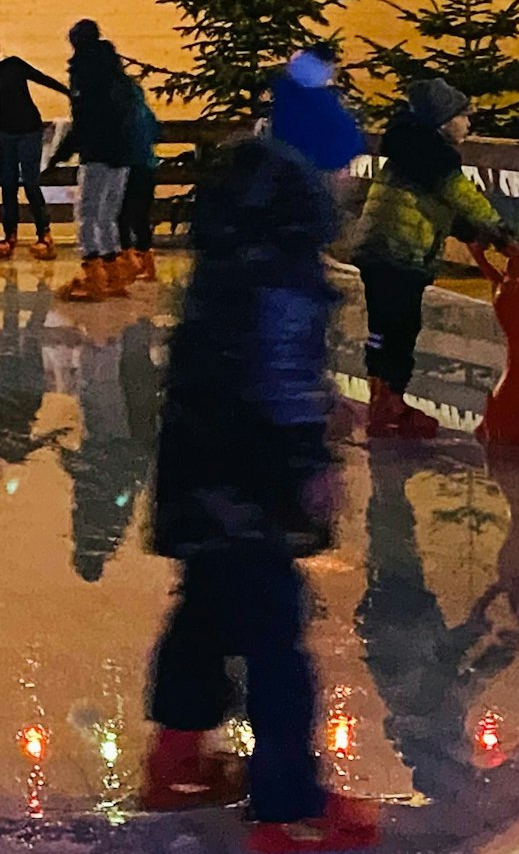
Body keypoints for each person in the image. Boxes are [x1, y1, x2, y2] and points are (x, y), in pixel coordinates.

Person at [143, 77, 377, 852]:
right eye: (344, 166)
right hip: (248, 478)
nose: (349, 183)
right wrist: (309, 457)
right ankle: (287, 806)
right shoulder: (284, 264)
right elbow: (274, 376)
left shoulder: (236, 244)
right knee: (279, 637)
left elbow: (226, 358)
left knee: (206, 607)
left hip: (200, 465)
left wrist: (317, 402)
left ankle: (175, 757)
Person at [352, 78, 509, 439]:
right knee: (403, 327)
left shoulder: (410, 154)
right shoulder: (435, 158)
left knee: (381, 327)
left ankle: (380, 396)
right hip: (400, 253)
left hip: (376, 250)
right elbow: (460, 194)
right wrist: (496, 229)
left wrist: (470, 235)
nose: (469, 123)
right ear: (443, 122)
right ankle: (391, 399)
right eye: (463, 116)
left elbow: (432, 206)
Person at [49, 20, 136, 301]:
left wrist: (60, 154)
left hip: (97, 151)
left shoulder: (84, 73)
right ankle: (115, 273)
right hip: (122, 151)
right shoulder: (118, 74)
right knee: (109, 213)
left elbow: (83, 119)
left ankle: (93, 275)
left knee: (87, 213)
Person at [0, 33, 66, 260]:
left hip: (29, 130)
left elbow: (42, 78)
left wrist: (70, 93)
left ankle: (44, 234)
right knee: (7, 186)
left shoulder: (14, 65)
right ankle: (10, 236)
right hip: (5, 134)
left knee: (30, 183)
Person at [116, 76, 162, 282]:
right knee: (141, 216)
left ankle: (128, 262)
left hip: (129, 167)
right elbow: (156, 133)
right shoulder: (145, 112)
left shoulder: (122, 115)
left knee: (122, 215)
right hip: (148, 167)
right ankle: (147, 263)